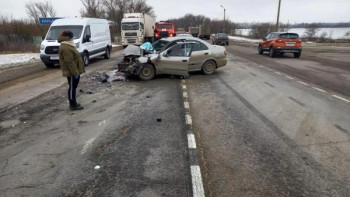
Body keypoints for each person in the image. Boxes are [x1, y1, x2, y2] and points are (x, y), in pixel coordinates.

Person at [58, 30, 85, 110]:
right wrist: (75, 73)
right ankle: (73, 105)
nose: (73, 38)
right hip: (72, 72)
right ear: (68, 37)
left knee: (73, 87)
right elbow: (69, 62)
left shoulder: (69, 45)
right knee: (72, 88)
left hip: (74, 71)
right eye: (72, 36)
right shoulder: (66, 47)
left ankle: (74, 103)